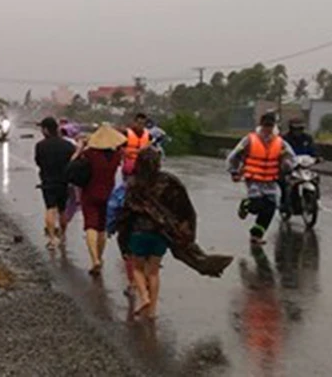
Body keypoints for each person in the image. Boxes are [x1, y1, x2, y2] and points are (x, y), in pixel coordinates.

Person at [118, 148, 233, 318]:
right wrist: (187, 234)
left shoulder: (133, 184)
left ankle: (143, 297)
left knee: (137, 268)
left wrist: (123, 240)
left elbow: (126, 214)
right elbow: (185, 209)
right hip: (161, 234)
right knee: (154, 272)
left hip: (139, 233)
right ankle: (152, 311)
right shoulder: (169, 181)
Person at [227, 113, 296, 245]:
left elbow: (290, 158)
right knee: (257, 206)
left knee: (270, 208)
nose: (268, 128)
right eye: (266, 125)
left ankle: (256, 235)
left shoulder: (280, 142)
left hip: (270, 180)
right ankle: (246, 204)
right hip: (254, 179)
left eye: (270, 125)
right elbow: (235, 155)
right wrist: (234, 172)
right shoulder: (250, 139)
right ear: (261, 125)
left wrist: (287, 165)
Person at [73, 123, 126, 275]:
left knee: (90, 226)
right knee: (101, 228)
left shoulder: (89, 155)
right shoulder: (117, 156)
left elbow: (73, 163)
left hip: (90, 193)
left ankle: (94, 259)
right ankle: (100, 258)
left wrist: (80, 148)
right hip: (108, 195)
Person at [35, 117, 77, 249]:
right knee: (63, 210)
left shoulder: (40, 145)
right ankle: (63, 235)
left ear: (46, 130)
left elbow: (38, 162)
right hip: (64, 182)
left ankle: (52, 239)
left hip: (48, 182)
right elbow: (73, 162)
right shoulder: (68, 145)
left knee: (50, 209)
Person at [123, 112, 151, 177]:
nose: (141, 126)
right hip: (129, 162)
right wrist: (137, 151)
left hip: (143, 163)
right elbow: (121, 150)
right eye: (139, 123)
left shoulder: (148, 135)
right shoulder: (126, 133)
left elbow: (150, 147)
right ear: (134, 123)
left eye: (143, 124)